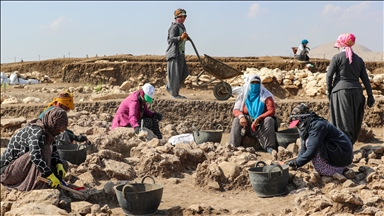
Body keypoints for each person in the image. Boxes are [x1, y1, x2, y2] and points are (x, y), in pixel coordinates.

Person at [0, 107, 69, 191]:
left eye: (61, 130)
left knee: (64, 164)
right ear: (52, 122)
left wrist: (59, 164)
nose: (59, 132)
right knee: (45, 150)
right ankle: (37, 187)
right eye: (58, 129)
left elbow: (54, 151)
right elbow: (35, 157)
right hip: (7, 173)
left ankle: (48, 183)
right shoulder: (38, 132)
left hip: (22, 169)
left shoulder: (49, 132)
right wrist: (49, 175)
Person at [326, 33, 375, 145]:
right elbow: (365, 79)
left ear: (341, 44)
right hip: (357, 92)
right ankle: (349, 147)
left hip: (341, 92)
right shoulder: (359, 59)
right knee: (354, 121)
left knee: (342, 122)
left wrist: (329, 92)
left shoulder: (337, 58)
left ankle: (344, 152)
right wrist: (370, 95)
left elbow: (329, 76)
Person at [285, 103, 353, 177]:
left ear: (304, 118)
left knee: (311, 143)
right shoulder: (307, 126)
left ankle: (334, 170)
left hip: (341, 152)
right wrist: (296, 162)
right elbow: (304, 147)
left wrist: (297, 163)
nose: (297, 126)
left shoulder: (318, 125)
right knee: (309, 142)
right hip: (334, 151)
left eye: (298, 123)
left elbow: (312, 150)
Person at [229, 74, 277, 154]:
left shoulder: (266, 95)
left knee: (269, 120)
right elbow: (236, 109)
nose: (255, 85)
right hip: (247, 123)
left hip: (261, 123)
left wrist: (259, 118)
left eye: (257, 83)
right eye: (253, 82)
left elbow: (271, 111)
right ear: (248, 83)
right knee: (236, 120)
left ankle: (269, 147)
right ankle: (233, 146)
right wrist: (241, 117)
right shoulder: (243, 95)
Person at [165, 8, 190, 99]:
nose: (183, 18)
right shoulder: (174, 27)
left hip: (181, 54)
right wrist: (180, 37)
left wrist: (185, 38)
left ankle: (170, 87)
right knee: (175, 74)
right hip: (174, 54)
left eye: (184, 16)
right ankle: (175, 94)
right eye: (181, 16)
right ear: (176, 17)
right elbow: (170, 39)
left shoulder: (182, 27)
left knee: (184, 73)